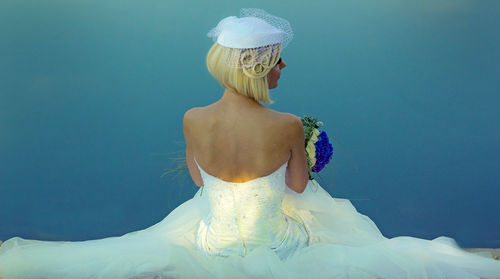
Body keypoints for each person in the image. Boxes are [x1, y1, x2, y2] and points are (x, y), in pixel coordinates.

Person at [0, 8, 499, 279]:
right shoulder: (284, 125)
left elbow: (200, 181)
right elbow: (299, 191)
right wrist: (306, 153)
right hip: (273, 249)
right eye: (278, 60)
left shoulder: (193, 118)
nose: (283, 68)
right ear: (259, 67)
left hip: (208, 244)